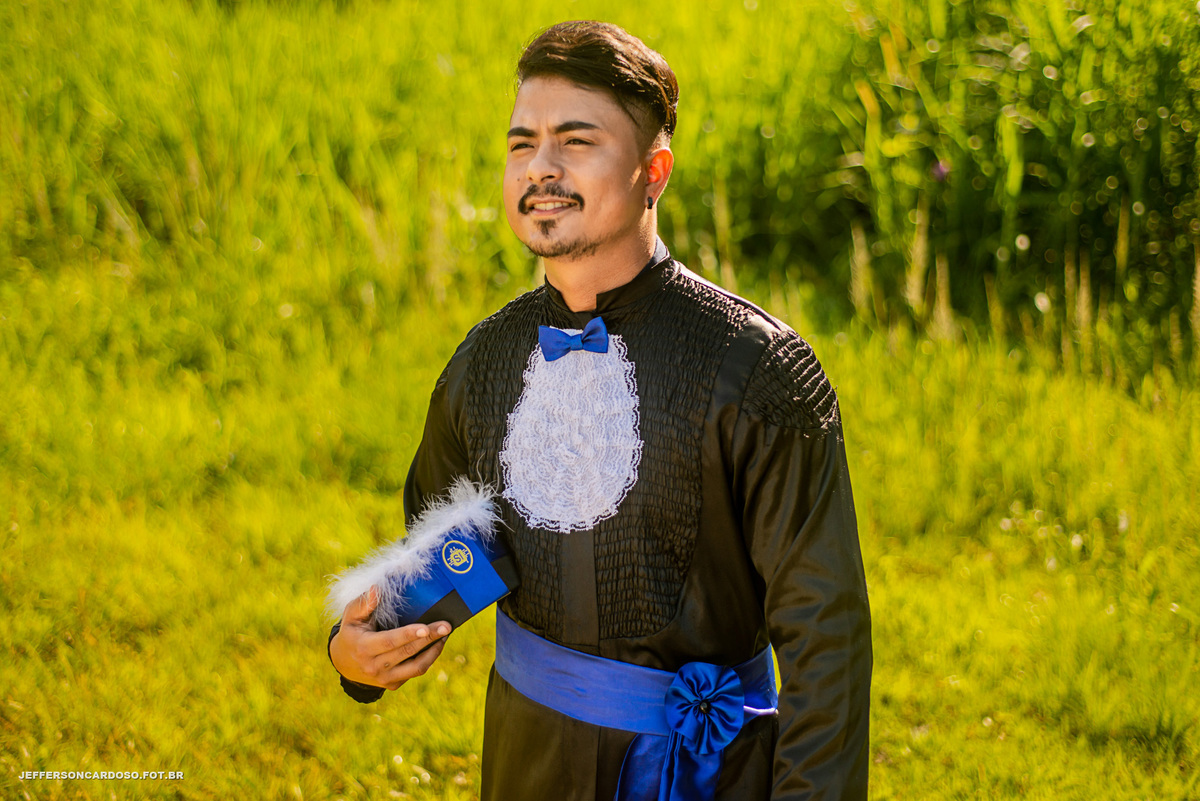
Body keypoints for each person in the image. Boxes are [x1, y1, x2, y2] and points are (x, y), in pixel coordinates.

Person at [327, 20, 872, 801]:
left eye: (576, 141)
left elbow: (827, 641)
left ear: (654, 171)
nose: (540, 167)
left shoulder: (760, 371)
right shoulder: (483, 364)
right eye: (522, 143)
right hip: (524, 765)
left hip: (705, 776)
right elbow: (436, 559)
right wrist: (354, 652)